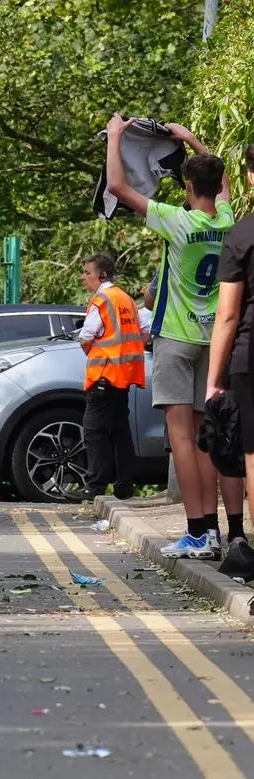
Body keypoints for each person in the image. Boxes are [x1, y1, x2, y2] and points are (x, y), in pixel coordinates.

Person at [104, 113, 243, 559]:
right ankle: (217, 532)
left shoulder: (174, 220)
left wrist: (115, 136)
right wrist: (193, 140)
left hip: (176, 337)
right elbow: (221, 185)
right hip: (212, 339)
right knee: (210, 437)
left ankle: (197, 530)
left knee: (182, 438)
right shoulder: (226, 222)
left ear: (186, 189)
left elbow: (117, 188)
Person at [205, 143, 254, 546]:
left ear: (251, 176)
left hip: (249, 358)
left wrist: (213, 379)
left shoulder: (242, 234)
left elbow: (227, 315)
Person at [77, 254, 146, 501]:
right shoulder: (125, 299)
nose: (83, 277)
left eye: (87, 272)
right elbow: (142, 332)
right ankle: (124, 486)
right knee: (120, 432)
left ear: (102, 275)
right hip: (124, 376)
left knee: (95, 432)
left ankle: (94, 487)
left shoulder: (102, 299)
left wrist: (96, 352)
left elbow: (86, 336)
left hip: (104, 374)